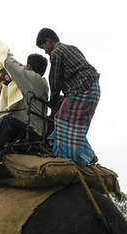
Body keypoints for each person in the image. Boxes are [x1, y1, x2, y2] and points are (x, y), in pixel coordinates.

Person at [36, 28, 100, 166]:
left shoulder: (57, 52)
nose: (46, 52)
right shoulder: (71, 48)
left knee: (61, 120)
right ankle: (89, 154)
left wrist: (52, 102)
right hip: (93, 89)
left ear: (48, 41)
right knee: (76, 126)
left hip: (82, 88)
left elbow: (55, 80)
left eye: (44, 48)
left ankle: (75, 156)